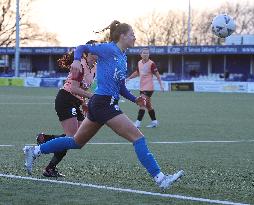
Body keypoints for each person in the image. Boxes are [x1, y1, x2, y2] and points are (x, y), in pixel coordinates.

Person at [23, 20, 184, 189]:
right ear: (122, 36)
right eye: (132, 34)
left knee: (76, 142)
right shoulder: (108, 48)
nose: (135, 37)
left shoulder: (123, 56)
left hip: (100, 104)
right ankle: (160, 178)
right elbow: (81, 48)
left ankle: (34, 151)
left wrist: (134, 99)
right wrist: (77, 60)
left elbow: (121, 86)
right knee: (138, 138)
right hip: (103, 103)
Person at [35, 46, 97, 177]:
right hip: (65, 99)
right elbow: (74, 89)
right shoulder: (80, 65)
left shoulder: (95, 68)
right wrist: (92, 97)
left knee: (79, 138)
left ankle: (45, 140)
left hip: (75, 101)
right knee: (72, 138)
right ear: (87, 54)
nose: (99, 52)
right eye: (95, 50)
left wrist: (83, 102)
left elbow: (82, 88)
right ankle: (49, 165)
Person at [126, 48, 164, 128]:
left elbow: (157, 75)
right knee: (148, 105)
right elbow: (137, 72)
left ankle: (138, 122)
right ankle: (154, 122)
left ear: (149, 55)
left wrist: (161, 85)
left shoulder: (151, 64)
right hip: (142, 87)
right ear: (141, 54)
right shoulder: (139, 62)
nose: (146, 54)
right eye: (144, 53)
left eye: (147, 53)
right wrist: (129, 78)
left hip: (149, 87)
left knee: (142, 103)